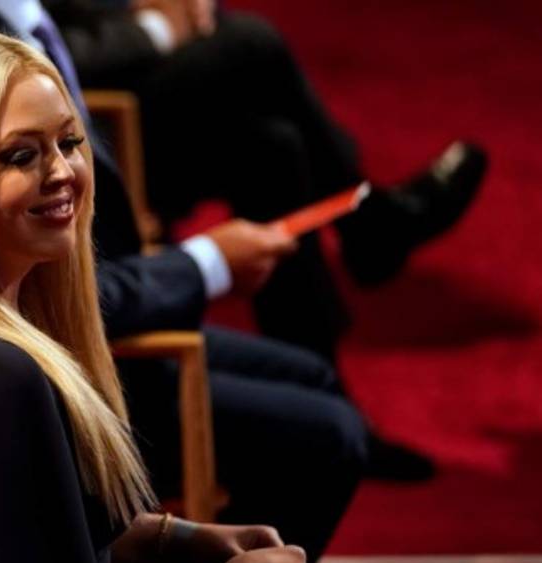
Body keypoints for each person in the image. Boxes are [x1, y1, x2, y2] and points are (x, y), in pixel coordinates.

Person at [0, 32, 485, 563]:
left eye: (70, 142)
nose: (63, 172)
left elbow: (22, 553)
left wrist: (186, 539)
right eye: (20, 156)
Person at [48, 0, 488, 361]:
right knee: (252, 44)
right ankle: (370, 222)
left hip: (117, 80)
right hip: (85, 139)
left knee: (269, 149)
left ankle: (320, 383)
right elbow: (37, 52)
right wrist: (155, 28)